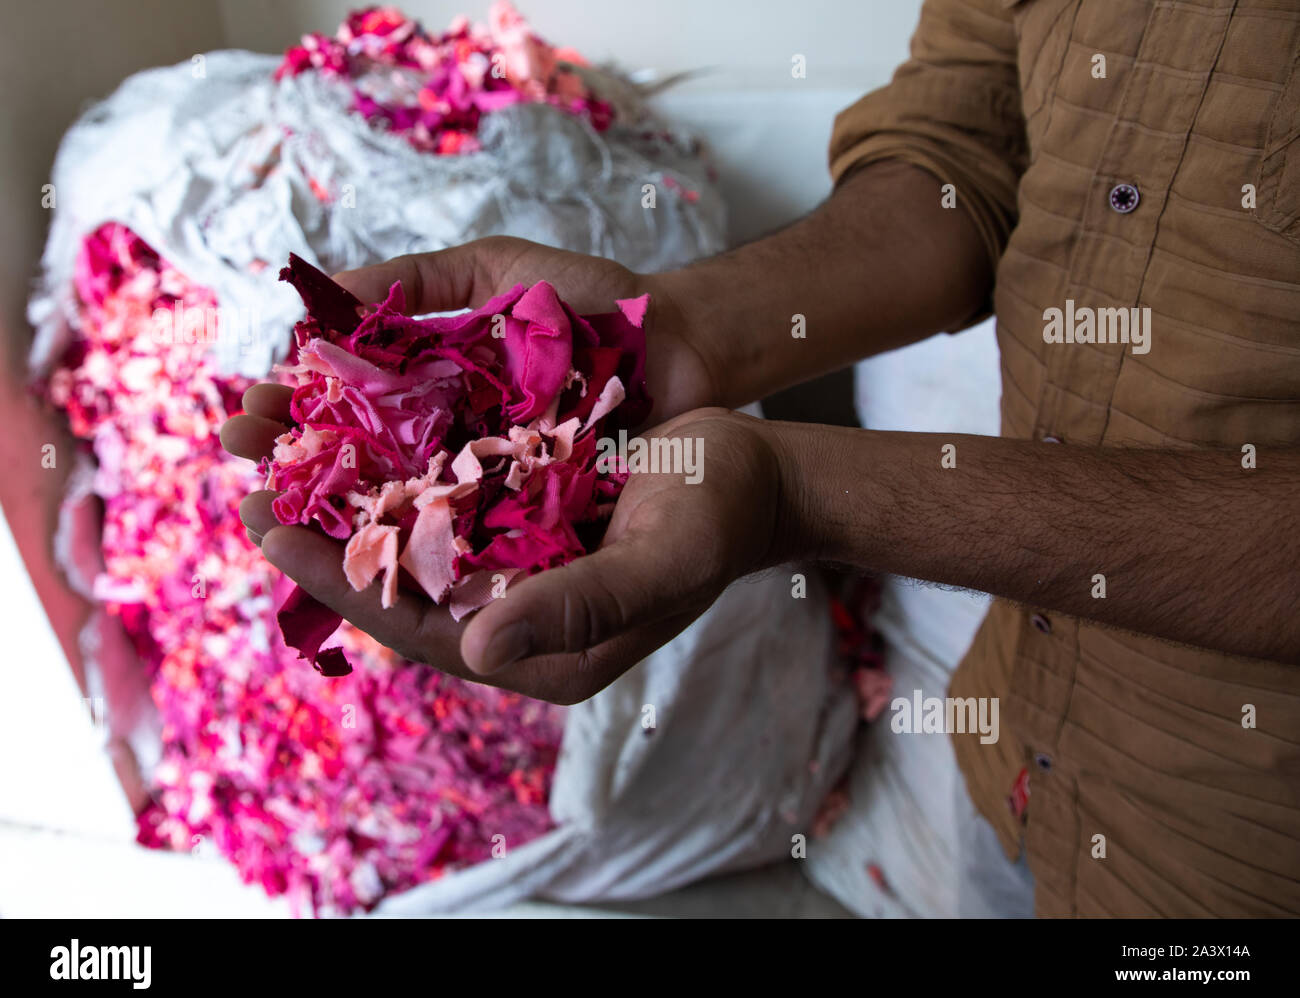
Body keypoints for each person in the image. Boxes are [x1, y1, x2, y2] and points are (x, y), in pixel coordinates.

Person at [223, 0, 1300, 917]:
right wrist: (673, 336)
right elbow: (964, 155)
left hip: (1230, 862)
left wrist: (793, 492)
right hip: (1022, 763)